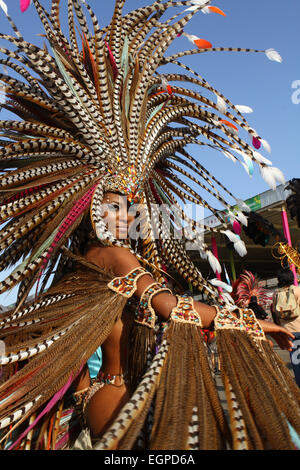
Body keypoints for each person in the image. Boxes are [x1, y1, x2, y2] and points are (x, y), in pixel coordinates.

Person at [0, 0, 300, 451]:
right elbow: (172, 308)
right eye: (116, 206)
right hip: (115, 395)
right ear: (90, 206)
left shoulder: (81, 262)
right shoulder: (115, 257)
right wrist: (254, 326)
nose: (127, 217)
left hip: (93, 398)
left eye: (132, 207)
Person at [273, 268, 300, 387]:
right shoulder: (297, 291)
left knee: (296, 361)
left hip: (288, 332)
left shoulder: (276, 294)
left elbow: (275, 312)